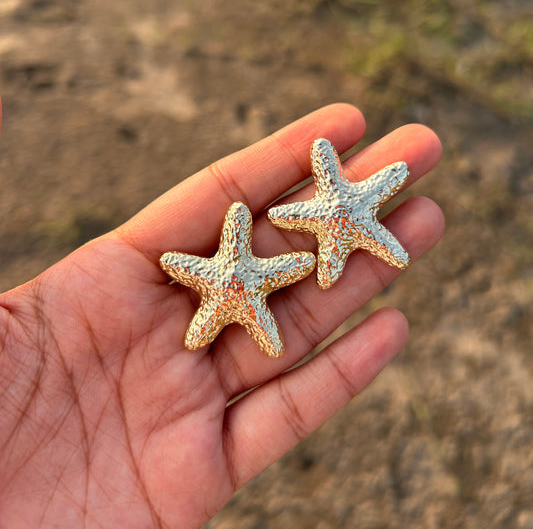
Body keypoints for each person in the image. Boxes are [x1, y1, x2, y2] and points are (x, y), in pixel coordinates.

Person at [0, 103, 444, 528]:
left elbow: (297, 243)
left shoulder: (313, 229)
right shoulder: (238, 270)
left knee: (316, 269)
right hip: (238, 288)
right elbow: (214, 268)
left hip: (251, 280)